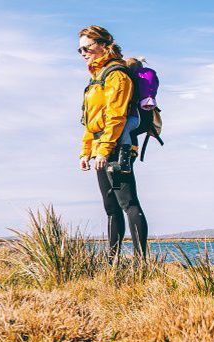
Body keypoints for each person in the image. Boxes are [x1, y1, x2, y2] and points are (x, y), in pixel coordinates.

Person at [78, 26, 149, 260]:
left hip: (118, 146)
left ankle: (141, 263)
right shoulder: (95, 78)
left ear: (103, 45)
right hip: (101, 148)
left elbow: (116, 117)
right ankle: (112, 262)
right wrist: (85, 152)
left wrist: (105, 150)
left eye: (86, 47)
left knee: (128, 203)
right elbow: (90, 121)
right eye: (79, 50)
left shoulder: (116, 74)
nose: (83, 53)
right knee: (111, 208)